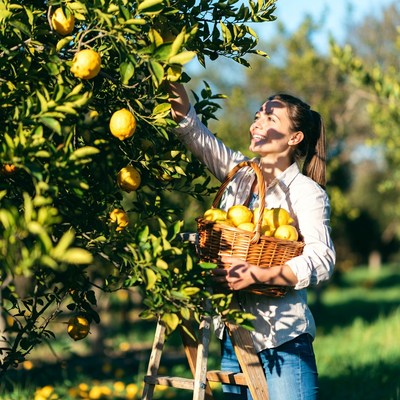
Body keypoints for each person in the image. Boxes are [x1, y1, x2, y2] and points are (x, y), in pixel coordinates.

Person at [168, 82, 336, 400]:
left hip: (282, 339)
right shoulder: (240, 174)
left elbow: (322, 259)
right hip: (235, 338)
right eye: (258, 115)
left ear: (294, 137)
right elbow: (192, 130)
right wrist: (168, 75)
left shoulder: (306, 192)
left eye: (270, 119)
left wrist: (258, 274)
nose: (257, 122)